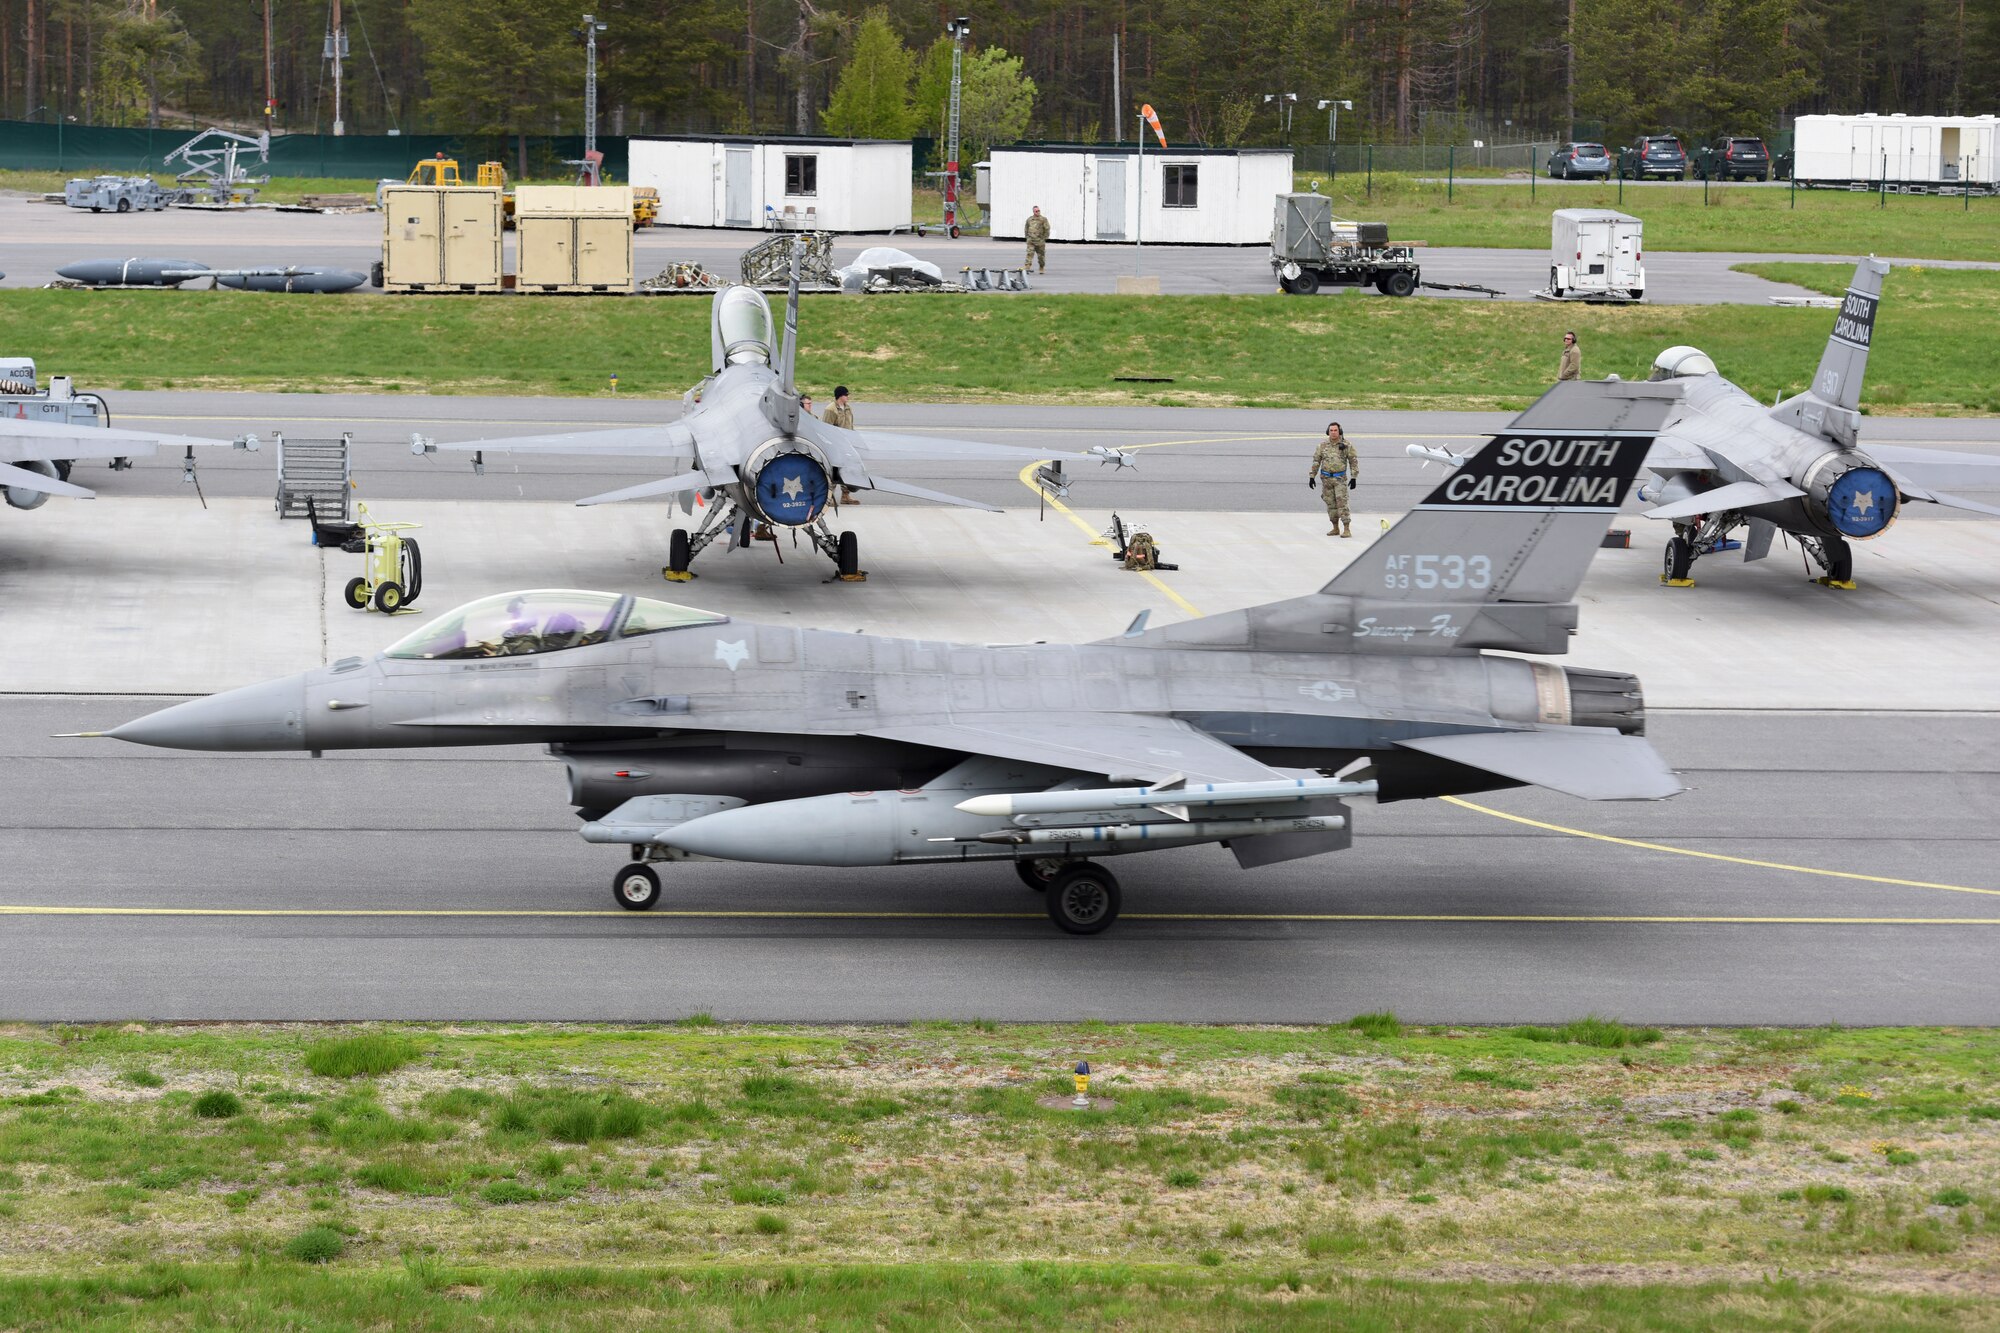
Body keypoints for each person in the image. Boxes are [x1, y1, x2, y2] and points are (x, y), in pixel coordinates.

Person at [1308, 422, 1360, 538]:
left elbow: (1353, 461)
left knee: (1342, 503)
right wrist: (1312, 476)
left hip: (1340, 479)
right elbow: (1316, 461)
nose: (1333, 432)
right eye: (1331, 430)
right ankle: (1335, 528)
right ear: (1328, 432)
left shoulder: (1346, 445)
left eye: (1335, 430)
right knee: (1330, 504)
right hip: (1326, 480)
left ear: (1339, 431)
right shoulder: (1322, 446)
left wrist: (1354, 477)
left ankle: (1346, 529)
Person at [824, 386, 859, 502]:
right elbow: (826, 428)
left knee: (846, 470)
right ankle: (829, 497)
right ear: (840, 396)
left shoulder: (848, 408)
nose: (848, 397)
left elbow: (850, 426)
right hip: (835, 445)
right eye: (846, 395)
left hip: (847, 444)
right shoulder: (831, 410)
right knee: (834, 471)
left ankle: (845, 496)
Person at [1024, 206, 1050, 274]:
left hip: (1040, 241)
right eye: (1036, 211)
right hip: (1031, 241)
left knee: (1041, 256)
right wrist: (1027, 237)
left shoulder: (1043, 219)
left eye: (1039, 210)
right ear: (1033, 212)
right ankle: (1027, 267)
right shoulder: (1029, 219)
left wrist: (1044, 238)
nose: (1038, 212)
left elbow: (1047, 229)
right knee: (1029, 254)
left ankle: (1041, 267)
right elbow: (1026, 228)